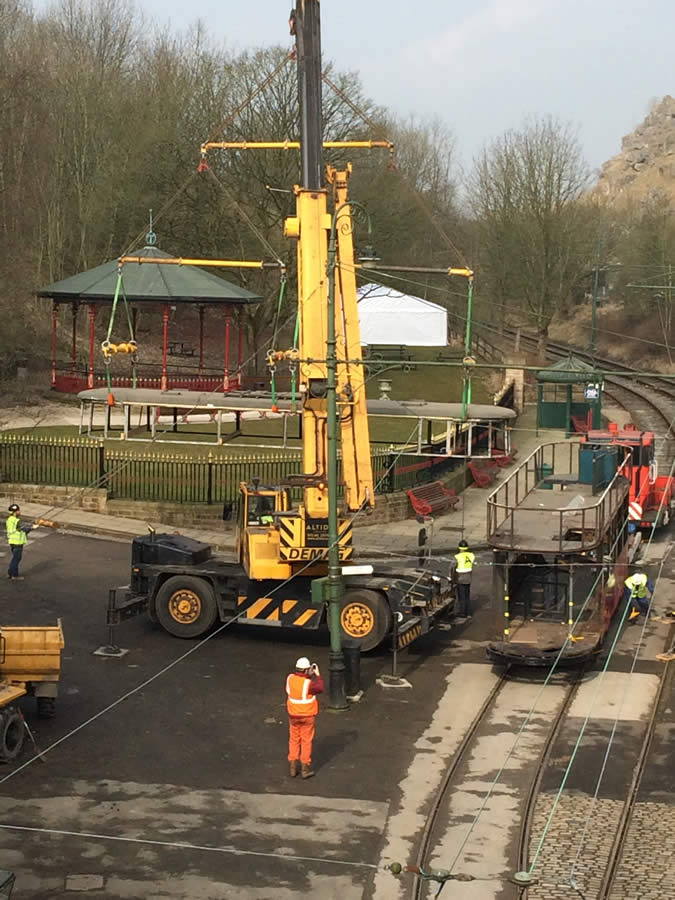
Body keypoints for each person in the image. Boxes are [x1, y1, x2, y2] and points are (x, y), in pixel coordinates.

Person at [286, 656, 324, 779]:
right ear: (307, 670)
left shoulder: (290, 678)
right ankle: (305, 769)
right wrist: (317, 675)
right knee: (306, 741)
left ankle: (292, 768)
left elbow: (290, 691)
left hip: (293, 715)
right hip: (307, 716)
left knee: (294, 739)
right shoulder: (309, 684)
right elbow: (320, 687)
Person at [6, 503, 36, 581]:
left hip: (12, 541)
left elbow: (20, 528)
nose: (20, 511)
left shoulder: (9, 520)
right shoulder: (16, 521)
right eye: (18, 510)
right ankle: (14, 575)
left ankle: (10, 573)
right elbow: (24, 529)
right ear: (15, 512)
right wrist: (33, 527)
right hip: (17, 542)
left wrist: (29, 527)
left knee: (15, 558)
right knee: (17, 558)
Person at [452, 539, 476, 619]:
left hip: (460, 578)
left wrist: (452, 578)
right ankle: (469, 612)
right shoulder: (471, 555)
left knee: (461, 596)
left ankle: (462, 612)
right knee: (467, 595)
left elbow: (452, 567)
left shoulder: (457, 556)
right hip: (468, 578)